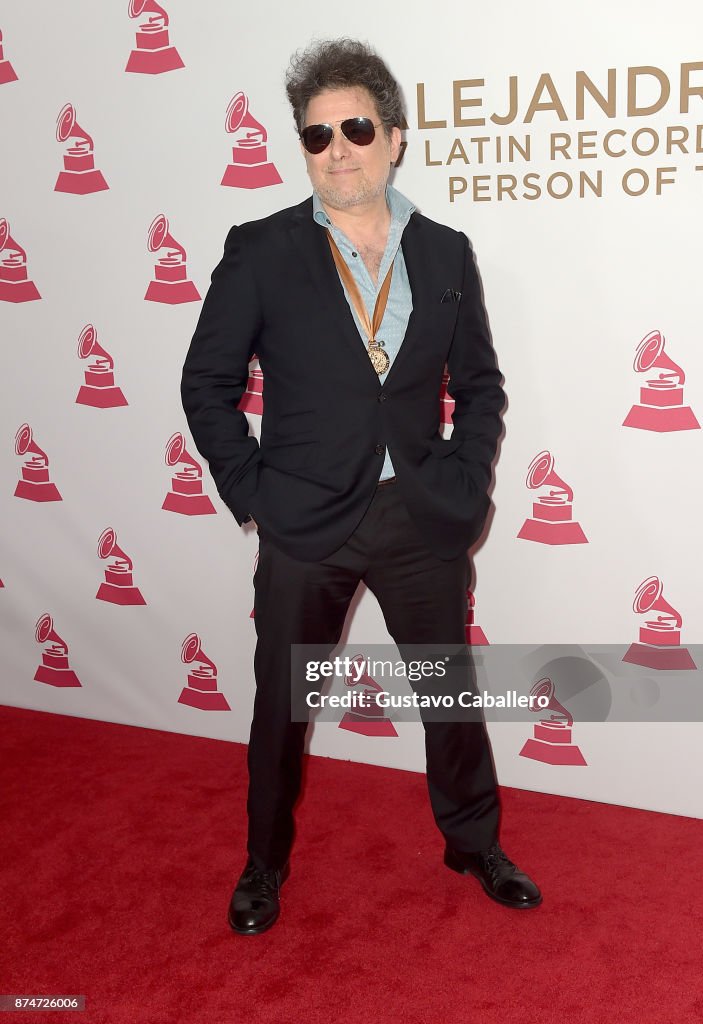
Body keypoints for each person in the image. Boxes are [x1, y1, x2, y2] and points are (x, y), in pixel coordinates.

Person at [181, 38, 542, 936]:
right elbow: (207, 384)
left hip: (420, 513)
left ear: (392, 137)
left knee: (448, 695)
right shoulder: (259, 250)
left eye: (353, 127)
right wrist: (254, 491)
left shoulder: (447, 252)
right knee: (281, 704)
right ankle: (263, 864)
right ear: (302, 148)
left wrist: (464, 470)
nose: (335, 148)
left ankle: (472, 842)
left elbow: (483, 384)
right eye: (315, 135)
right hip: (305, 519)